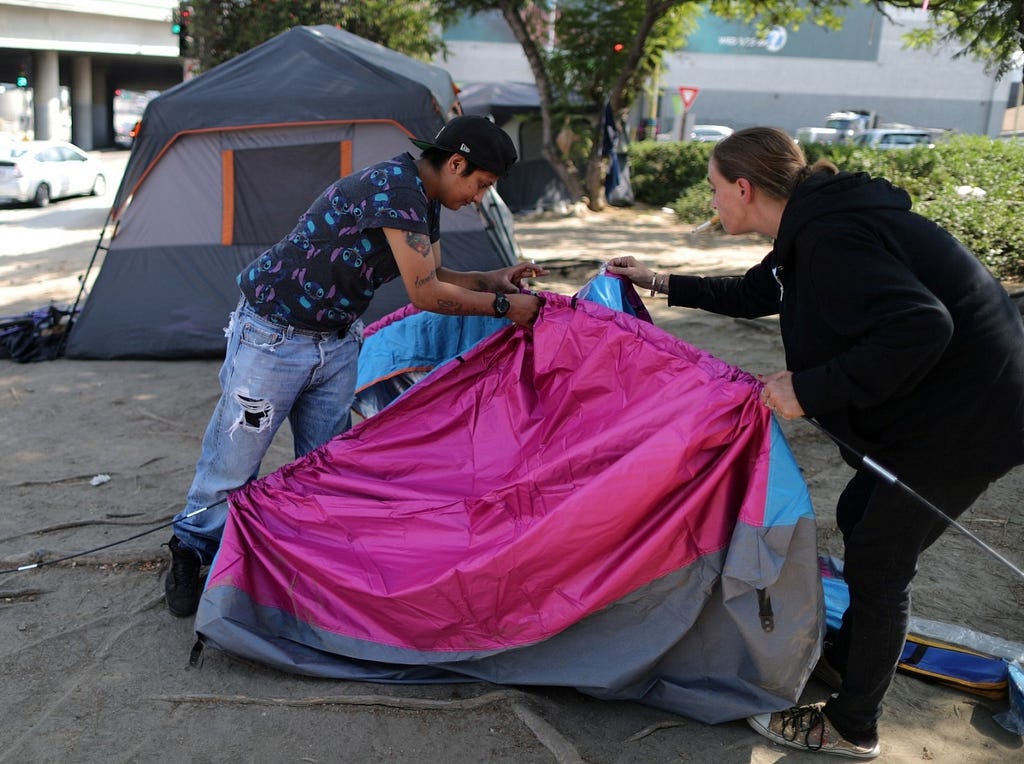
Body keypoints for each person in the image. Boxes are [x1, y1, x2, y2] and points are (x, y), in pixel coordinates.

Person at [607, 126, 1024, 759]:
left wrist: (811, 389)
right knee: (860, 516)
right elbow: (755, 293)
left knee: (883, 556)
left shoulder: (830, 236)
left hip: (976, 412)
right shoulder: (811, 223)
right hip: (956, 399)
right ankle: (849, 660)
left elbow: (921, 327)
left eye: (716, 190)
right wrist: (659, 279)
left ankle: (854, 724)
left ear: (744, 188)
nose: (713, 203)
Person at [165, 115, 548, 618]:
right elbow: (426, 293)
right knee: (233, 463)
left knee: (325, 464)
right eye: (481, 184)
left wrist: (490, 279)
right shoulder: (394, 187)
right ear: (456, 163)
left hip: (338, 340)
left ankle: (301, 563)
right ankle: (191, 549)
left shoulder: (424, 199)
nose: (480, 197)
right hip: (273, 337)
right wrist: (505, 309)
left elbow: (430, 272)